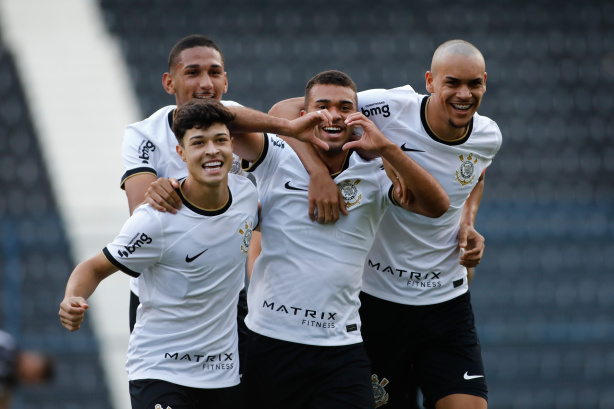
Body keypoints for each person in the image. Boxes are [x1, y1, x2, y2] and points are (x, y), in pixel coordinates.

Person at [270, 40, 501, 409]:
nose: (464, 93)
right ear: (429, 81)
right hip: (377, 300)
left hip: (446, 301)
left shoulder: (489, 135)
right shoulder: (387, 107)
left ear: (485, 83)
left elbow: (474, 175)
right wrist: (317, 172)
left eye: (474, 84)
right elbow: (285, 111)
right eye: (452, 82)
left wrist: (467, 222)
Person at [238, 70, 448, 409]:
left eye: (344, 108)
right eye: (322, 107)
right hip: (270, 342)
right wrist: (306, 153)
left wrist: (388, 148)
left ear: (358, 118)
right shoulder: (277, 155)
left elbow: (437, 206)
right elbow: (216, 118)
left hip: (340, 348)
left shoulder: (377, 173)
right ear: (302, 116)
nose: (333, 115)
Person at [59, 99, 259, 408]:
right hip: (161, 370)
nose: (212, 150)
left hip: (223, 374)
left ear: (232, 144)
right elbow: (94, 267)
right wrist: (72, 296)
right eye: (198, 143)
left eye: (220, 140)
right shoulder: (155, 219)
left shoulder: (246, 194)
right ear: (181, 153)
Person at [0, 330, 54, 409]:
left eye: (36, 374)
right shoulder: (6, 342)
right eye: (34, 362)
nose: (30, 369)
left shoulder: (4, 395)